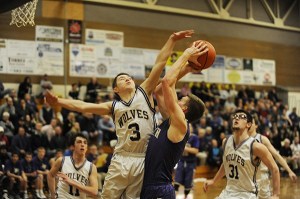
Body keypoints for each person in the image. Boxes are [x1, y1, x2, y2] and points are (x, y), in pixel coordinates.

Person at [45, 30, 195, 199]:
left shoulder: (144, 91)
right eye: (122, 78)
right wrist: (59, 102)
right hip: (121, 157)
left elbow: (159, 63)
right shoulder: (113, 105)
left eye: (129, 77)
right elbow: (83, 106)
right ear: (115, 89)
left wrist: (172, 39)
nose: (128, 78)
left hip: (142, 158)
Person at [141, 42, 207, 198]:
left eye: (182, 100)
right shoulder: (171, 121)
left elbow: (166, 82)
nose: (178, 100)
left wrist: (186, 54)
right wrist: (188, 68)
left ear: (183, 109)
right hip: (148, 186)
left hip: (159, 189)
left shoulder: (180, 124)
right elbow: (159, 92)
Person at [203, 110, 280, 199]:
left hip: (246, 194)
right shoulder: (226, 142)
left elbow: (274, 168)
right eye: (235, 116)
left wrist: (276, 195)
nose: (236, 118)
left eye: (241, 117)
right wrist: (213, 181)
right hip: (228, 192)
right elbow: (226, 164)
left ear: (248, 124)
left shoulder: (256, 147)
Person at [249, 115, 297, 198]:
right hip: (248, 179)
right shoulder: (242, 140)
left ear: (256, 125)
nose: (248, 125)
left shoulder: (262, 139)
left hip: (262, 179)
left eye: (251, 123)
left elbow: (277, 155)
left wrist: (289, 171)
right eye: (247, 123)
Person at [47, 133, 98, 199]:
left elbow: (94, 191)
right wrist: (53, 194)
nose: (82, 144)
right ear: (72, 147)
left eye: (85, 143)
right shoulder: (62, 160)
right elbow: (50, 175)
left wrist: (72, 182)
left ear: (86, 148)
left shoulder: (92, 167)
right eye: (79, 142)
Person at [174, 124, 200, 199]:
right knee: (177, 181)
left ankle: (185, 197)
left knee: (188, 183)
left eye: (190, 126)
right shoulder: (181, 136)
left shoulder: (194, 138)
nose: (188, 127)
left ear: (192, 128)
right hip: (181, 161)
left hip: (190, 163)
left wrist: (185, 148)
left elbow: (196, 150)